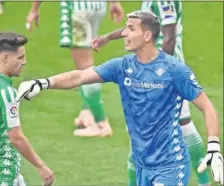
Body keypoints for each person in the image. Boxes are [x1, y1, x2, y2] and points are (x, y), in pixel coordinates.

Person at [15, 10, 223, 185]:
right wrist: (43, 83)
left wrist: (213, 146)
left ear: (148, 36)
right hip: (142, 164)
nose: (124, 33)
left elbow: (206, 106)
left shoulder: (175, 70)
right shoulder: (122, 66)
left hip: (170, 165)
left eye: (131, 29)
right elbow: (79, 76)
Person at [92, 1, 210, 185]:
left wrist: (160, 71)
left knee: (177, 127)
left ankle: (204, 180)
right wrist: (108, 37)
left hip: (166, 73)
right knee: (150, 132)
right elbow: (137, 27)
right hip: (155, 68)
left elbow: (169, 36)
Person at [25, 1, 124, 137]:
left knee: (85, 66)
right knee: (86, 60)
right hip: (97, 6)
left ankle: (100, 123)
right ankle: (87, 112)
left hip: (77, 10)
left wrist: (34, 9)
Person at [0, 32, 54, 186]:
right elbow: (16, 137)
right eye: (20, 58)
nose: (24, 62)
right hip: (1, 175)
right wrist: (41, 166)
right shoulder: (7, 92)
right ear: (5, 58)